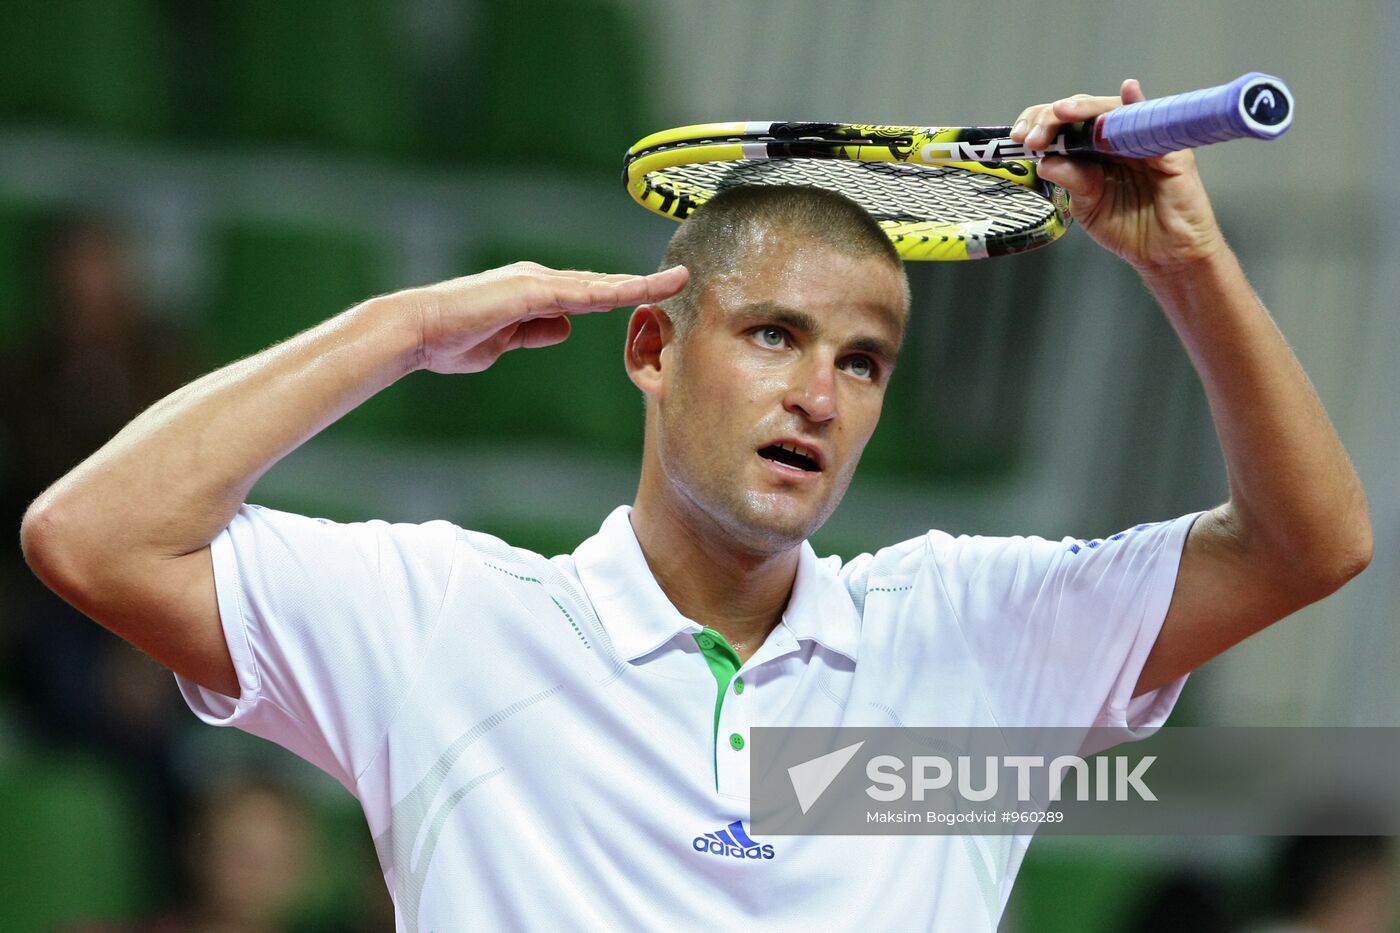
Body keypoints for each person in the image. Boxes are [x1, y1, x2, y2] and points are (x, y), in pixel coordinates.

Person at [20, 82, 1371, 931]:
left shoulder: (978, 628)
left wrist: (1189, 264)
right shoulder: (445, 619)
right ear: (654, 352)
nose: (820, 395)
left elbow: (1312, 543)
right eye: (774, 336)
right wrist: (407, 323)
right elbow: (90, 534)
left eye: (862, 361)